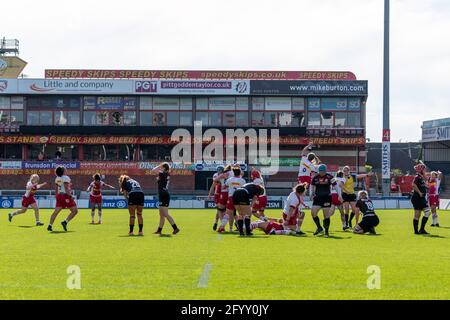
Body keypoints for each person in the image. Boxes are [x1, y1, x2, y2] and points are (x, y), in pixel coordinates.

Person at [47, 166, 78, 232]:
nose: (66, 170)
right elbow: (66, 188)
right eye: (65, 169)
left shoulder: (57, 178)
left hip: (59, 195)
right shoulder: (66, 177)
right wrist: (70, 196)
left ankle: (50, 225)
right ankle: (65, 222)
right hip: (65, 196)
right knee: (75, 211)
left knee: (56, 211)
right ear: (63, 171)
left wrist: (56, 195)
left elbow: (56, 188)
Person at [152, 162, 180, 235]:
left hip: (164, 194)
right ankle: (159, 230)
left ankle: (175, 228)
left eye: (162, 167)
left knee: (165, 214)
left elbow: (153, 170)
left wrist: (159, 165)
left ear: (164, 168)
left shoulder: (163, 173)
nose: (160, 168)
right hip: (163, 194)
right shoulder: (166, 174)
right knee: (161, 214)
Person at [218, 165, 246, 233]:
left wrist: (230, 186)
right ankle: (243, 228)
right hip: (239, 198)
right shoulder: (243, 181)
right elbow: (244, 190)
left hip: (231, 198)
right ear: (239, 173)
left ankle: (222, 227)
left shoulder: (229, 180)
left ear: (233, 172)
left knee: (227, 214)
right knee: (241, 214)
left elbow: (224, 187)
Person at [310, 164, 334, 237]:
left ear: (325, 170)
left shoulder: (330, 177)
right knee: (313, 213)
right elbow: (312, 186)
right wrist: (311, 194)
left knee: (326, 215)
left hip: (327, 198)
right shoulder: (315, 177)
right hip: (317, 198)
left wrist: (339, 195)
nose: (321, 172)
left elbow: (336, 185)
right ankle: (319, 228)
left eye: (323, 171)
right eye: (320, 171)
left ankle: (326, 232)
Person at [411, 163, 431, 235]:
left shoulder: (421, 177)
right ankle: (418, 231)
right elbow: (413, 185)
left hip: (420, 198)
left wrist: (426, 187)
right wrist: (419, 192)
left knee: (424, 213)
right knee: (420, 214)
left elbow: (423, 183)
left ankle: (420, 230)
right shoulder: (417, 177)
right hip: (417, 197)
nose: (425, 170)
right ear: (421, 170)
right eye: (424, 169)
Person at [208, 166, 224, 231]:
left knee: (220, 210)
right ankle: (221, 224)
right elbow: (214, 184)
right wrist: (210, 194)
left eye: (221, 170)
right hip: (217, 194)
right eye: (218, 170)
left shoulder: (224, 175)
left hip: (223, 193)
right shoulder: (215, 175)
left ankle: (216, 222)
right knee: (219, 209)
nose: (219, 171)